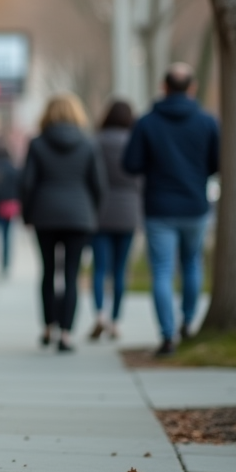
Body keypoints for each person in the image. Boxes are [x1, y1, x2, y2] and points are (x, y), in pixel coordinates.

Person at [123, 63, 220, 356]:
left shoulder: (147, 123)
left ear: (163, 87)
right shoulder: (207, 122)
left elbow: (131, 164)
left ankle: (167, 336)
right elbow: (217, 164)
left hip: (159, 207)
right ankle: (188, 322)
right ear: (193, 88)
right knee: (192, 264)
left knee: (163, 271)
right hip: (195, 206)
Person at [20, 94, 105, 353]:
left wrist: (27, 215)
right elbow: (98, 185)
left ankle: (48, 327)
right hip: (78, 216)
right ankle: (66, 334)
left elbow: (27, 183)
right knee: (71, 275)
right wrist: (92, 213)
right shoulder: (88, 143)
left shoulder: (37, 143)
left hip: (45, 214)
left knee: (47, 272)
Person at [89, 99, 142, 341]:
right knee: (120, 269)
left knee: (100, 268)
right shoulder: (134, 141)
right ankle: (115, 321)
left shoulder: (96, 142)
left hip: (100, 212)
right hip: (128, 212)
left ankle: (100, 314)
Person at [0, 143, 21, 276]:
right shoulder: (13, 169)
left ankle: (1, 261)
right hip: (10, 205)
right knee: (7, 235)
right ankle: (6, 262)